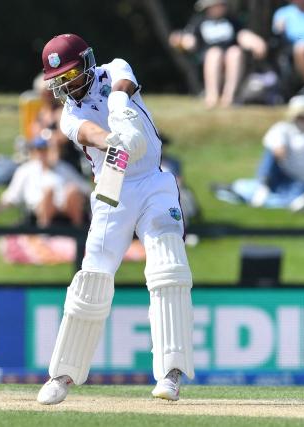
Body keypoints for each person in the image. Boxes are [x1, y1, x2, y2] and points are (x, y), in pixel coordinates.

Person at [35, 34, 194, 405]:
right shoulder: (69, 115)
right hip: (113, 188)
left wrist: (121, 109)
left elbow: (124, 84)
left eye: (72, 75)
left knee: (168, 267)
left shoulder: (114, 68)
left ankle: (170, 374)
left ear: (88, 64)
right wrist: (112, 140)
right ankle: (63, 375)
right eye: (60, 80)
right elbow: (89, 133)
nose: (66, 85)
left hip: (154, 183)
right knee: (93, 278)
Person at [212, 94, 304, 212]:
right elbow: (277, 150)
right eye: (301, 116)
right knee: (267, 160)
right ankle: (263, 187)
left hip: (298, 180)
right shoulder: (282, 128)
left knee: (301, 191)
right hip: (277, 175)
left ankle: (298, 199)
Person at [169, 0, 267, 108]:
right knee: (214, 54)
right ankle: (212, 96)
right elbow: (190, 39)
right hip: (208, 59)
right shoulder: (199, 21)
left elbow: (242, 34)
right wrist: (181, 41)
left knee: (235, 52)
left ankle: (229, 97)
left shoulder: (231, 20)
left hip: (231, 58)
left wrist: (256, 42)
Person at [0, 136, 90, 228]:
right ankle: (44, 233)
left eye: (45, 150)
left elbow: (84, 188)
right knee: (48, 192)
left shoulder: (63, 168)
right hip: (39, 209)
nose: (43, 153)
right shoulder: (26, 170)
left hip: (64, 207)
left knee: (73, 190)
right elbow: (12, 195)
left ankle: (79, 232)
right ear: (34, 152)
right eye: (39, 150)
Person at [273, 0, 304, 100]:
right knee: (302, 48)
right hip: (295, 50)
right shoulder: (283, 13)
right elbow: (277, 36)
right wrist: (279, 28)